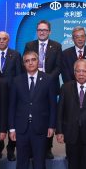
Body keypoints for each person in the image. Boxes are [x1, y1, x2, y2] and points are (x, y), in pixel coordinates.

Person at [9, 51, 57, 169]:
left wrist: (51, 125)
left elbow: (52, 105)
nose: (30, 63)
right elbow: (12, 106)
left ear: (38, 61)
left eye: (33, 60)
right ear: (24, 63)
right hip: (21, 129)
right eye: (27, 61)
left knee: (39, 164)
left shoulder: (48, 79)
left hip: (40, 128)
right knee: (21, 165)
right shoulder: (17, 80)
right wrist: (11, 128)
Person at [23, 20, 62, 159]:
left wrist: (47, 79)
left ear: (49, 32)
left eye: (45, 30)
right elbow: (25, 63)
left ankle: (48, 148)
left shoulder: (56, 46)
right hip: (32, 84)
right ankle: (31, 146)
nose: (42, 32)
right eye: (40, 30)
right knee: (33, 114)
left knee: (48, 115)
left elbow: (59, 66)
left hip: (50, 85)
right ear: (37, 31)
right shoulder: (30, 45)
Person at [0, 30, 20, 161]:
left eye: (4, 39)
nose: (2, 41)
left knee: (13, 121)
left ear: (8, 40)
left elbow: (19, 75)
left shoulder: (15, 54)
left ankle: (11, 148)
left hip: (12, 93)